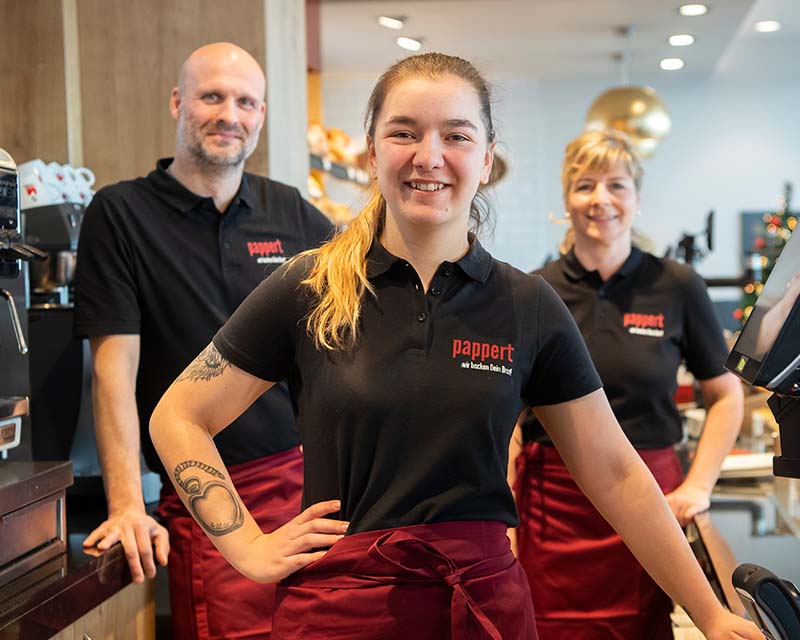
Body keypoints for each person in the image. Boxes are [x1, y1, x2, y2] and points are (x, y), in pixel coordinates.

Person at [149, 53, 762, 640]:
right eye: (404, 132)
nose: (430, 156)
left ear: (488, 158)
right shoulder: (306, 286)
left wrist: (709, 614)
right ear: (371, 152)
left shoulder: (528, 306)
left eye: (457, 136)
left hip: (481, 608)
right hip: (337, 610)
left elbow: (617, 473)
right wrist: (247, 545)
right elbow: (179, 415)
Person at [73, 42, 332, 639]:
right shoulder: (121, 214)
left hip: (305, 486)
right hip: (206, 487)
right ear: (177, 102)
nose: (229, 114)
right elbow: (113, 372)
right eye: (212, 96)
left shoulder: (290, 211)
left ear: (262, 114)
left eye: (246, 101)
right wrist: (126, 503)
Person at [510, 129, 747, 639]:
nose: (601, 200)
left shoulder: (678, 285)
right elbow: (508, 416)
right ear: (566, 199)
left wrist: (699, 485)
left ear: (636, 198)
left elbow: (726, 395)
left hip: (649, 500)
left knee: (642, 627)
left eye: (616, 185)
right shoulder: (534, 291)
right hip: (554, 508)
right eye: (585, 185)